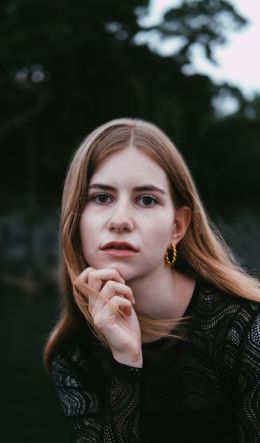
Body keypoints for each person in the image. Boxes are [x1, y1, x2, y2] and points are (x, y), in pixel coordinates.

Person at [44, 118, 260, 443]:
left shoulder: (246, 331)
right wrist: (126, 360)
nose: (120, 221)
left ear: (178, 227)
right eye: (101, 198)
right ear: (76, 217)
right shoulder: (74, 353)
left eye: (146, 200)